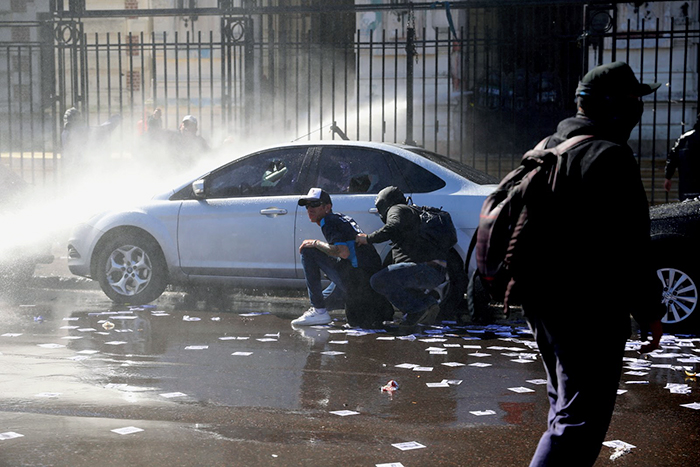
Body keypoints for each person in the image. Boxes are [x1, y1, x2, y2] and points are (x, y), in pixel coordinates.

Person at [515, 62, 664, 467]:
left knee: (564, 407)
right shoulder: (610, 156)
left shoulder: (549, 145)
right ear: (615, 106)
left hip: (542, 302)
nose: (639, 108)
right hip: (588, 307)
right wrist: (650, 311)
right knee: (579, 422)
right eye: (635, 100)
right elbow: (632, 245)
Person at [292, 188, 388, 327]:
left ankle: (319, 312)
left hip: (356, 280)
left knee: (308, 251)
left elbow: (342, 252)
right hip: (365, 282)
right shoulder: (341, 218)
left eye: (314, 204)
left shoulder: (328, 221)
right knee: (324, 301)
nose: (309, 209)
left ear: (327, 207)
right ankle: (322, 308)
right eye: (307, 206)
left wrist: (315, 243)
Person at [356, 186, 445, 327]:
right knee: (395, 278)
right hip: (435, 271)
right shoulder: (413, 211)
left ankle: (418, 309)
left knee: (378, 280)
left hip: (422, 270)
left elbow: (392, 227)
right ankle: (427, 306)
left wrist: (367, 238)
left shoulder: (396, 209)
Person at [664, 112, 700, 200]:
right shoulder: (685, 138)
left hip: (687, 185)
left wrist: (668, 177)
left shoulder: (684, 138)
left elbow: (672, 158)